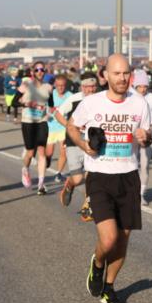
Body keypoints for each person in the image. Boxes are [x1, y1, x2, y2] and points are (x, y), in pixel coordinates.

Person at [66, 54, 152, 303]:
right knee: (109, 239)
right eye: (117, 73)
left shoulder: (139, 104)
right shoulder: (91, 103)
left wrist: (145, 136)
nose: (122, 78)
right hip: (100, 177)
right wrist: (84, 146)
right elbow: (72, 126)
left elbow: (147, 136)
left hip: (128, 176)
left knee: (123, 240)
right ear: (106, 76)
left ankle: (109, 286)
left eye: (126, 73)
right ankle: (98, 263)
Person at [56, 74, 99, 220]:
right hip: (74, 141)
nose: (91, 90)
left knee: (91, 176)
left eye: (93, 86)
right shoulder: (74, 98)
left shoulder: (100, 99)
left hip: (91, 142)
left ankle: (88, 207)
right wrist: (69, 126)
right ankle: (70, 184)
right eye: (87, 87)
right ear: (82, 87)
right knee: (78, 178)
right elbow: (58, 114)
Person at [17, 69, 53, 194]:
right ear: (33, 72)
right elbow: (14, 102)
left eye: (42, 69)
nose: (40, 71)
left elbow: (52, 104)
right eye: (37, 69)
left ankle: (41, 185)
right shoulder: (26, 85)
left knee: (42, 151)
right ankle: (25, 169)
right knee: (30, 153)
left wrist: (52, 113)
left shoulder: (48, 87)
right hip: (28, 122)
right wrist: (27, 103)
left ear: (44, 72)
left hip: (42, 122)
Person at [132, 69, 152, 205]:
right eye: (140, 86)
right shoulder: (129, 96)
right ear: (135, 86)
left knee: (144, 165)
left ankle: (141, 194)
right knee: (130, 165)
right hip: (131, 136)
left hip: (147, 135)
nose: (143, 89)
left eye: (145, 86)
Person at [47, 71, 71, 183]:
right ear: (55, 85)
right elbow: (44, 108)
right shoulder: (50, 94)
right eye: (58, 85)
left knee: (63, 151)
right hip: (51, 127)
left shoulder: (70, 96)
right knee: (49, 153)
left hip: (63, 128)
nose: (61, 88)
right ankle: (46, 161)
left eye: (63, 85)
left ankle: (58, 173)